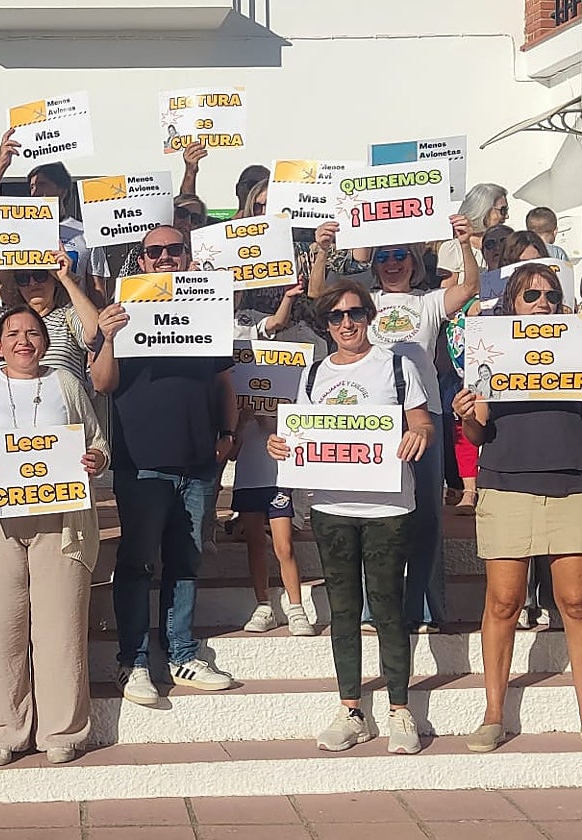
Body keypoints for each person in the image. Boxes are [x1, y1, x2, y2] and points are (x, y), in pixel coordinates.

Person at [267, 281, 435, 755]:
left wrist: (420, 435)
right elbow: (298, 433)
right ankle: (351, 710)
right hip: (331, 507)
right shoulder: (313, 373)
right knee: (342, 610)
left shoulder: (397, 366)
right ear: (326, 324)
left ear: (370, 316)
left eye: (355, 314)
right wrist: (279, 445)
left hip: (388, 507)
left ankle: (400, 709)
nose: (347, 324)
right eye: (337, 316)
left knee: (387, 606)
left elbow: (422, 422)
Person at [0, 306, 109, 765]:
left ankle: (62, 730)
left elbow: (97, 442)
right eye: (13, 333)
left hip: (61, 522)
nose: (23, 340)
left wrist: (95, 460)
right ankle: (1, 732)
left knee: (61, 628)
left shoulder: (66, 384)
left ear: (44, 343)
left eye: (32, 332)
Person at [309, 214, 479, 633]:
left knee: (426, 515)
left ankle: (423, 609)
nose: (391, 263)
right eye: (383, 257)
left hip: (424, 416)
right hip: (369, 419)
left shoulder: (428, 302)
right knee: (372, 515)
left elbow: (470, 288)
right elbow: (317, 296)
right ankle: (373, 609)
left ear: (414, 261)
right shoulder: (362, 302)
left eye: (400, 255)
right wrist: (323, 250)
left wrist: (465, 243)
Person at [90, 225, 238, 705]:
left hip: (198, 461)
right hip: (142, 462)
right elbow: (102, 383)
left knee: (185, 560)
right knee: (136, 563)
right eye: (154, 252)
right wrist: (108, 337)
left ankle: (181, 653)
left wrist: (228, 434)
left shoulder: (209, 307)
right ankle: (132, 661)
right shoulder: (121, 310)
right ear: (141, 261)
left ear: (188, 257)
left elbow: (224, 383)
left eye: (175, 249)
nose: (165, 257)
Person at [454, 263, 582, 752]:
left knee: (575, 601)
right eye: (531, 295)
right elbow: (477, 433)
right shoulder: (492, 347)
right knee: (504, 601)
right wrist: (467, 415)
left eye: (550, 295)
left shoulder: (576, 346)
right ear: (512, 302)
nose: (542, 303)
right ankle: (494, 714)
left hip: (572, 483)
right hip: (506, 482)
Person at [230, 283, 317, 635]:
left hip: (277, 475)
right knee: (254, 541)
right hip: (248, 475)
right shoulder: (237, 397)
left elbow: (297, 433)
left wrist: (271, 420)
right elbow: (232, 452)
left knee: (283, 545)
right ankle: (263, 604)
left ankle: (296, 608)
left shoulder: (288, 389)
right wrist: (242, 420)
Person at [0, 132, 109, 301]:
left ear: (62, 190)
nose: (35, 192)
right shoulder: (18, 227)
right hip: (30, 314)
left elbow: (97, 290)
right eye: (32, 187)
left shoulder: (86, 233)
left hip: (74, 315)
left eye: (42, 184)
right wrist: (1, 164)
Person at [0, 251, 99, 385]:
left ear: (54, 279)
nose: (32, 283)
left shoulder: (69, 315)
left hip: (62, 407)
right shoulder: (3, 319)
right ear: (17, 286)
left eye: (40, 275)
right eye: (23, 278)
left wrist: (66, 279)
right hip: (11, 407)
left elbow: (95, 332)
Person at [437, 184, 506, 283]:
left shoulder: (506, 244)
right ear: (484, 210)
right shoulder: (454, 248)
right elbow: (448, 289)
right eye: (503, 210)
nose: (506, 216)